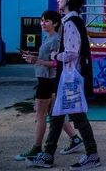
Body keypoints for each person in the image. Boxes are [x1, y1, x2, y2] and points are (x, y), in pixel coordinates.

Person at [27, 0, 101, 170]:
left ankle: (92, 154)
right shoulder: (73, 21)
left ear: (68, 0)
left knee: (77, 117)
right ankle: (48, 154)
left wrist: (55, 56)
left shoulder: (70, 23)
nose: (58, 0)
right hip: (68, 77)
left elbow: (71, 53)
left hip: (70, 78)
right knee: (57, 115)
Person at [15, 11, 83, 161]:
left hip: (47, 80)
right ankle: (75, 139)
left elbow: (54, 64)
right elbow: (47, 58)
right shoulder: (49, 38)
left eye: (46, 21)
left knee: (40, 115)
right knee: (54, 114)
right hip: (46, 79)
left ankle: (36, 148)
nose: (42, 23)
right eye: (41, 21)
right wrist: (33, 55)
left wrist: (36, 61)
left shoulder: (55, 40)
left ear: (56, 23)